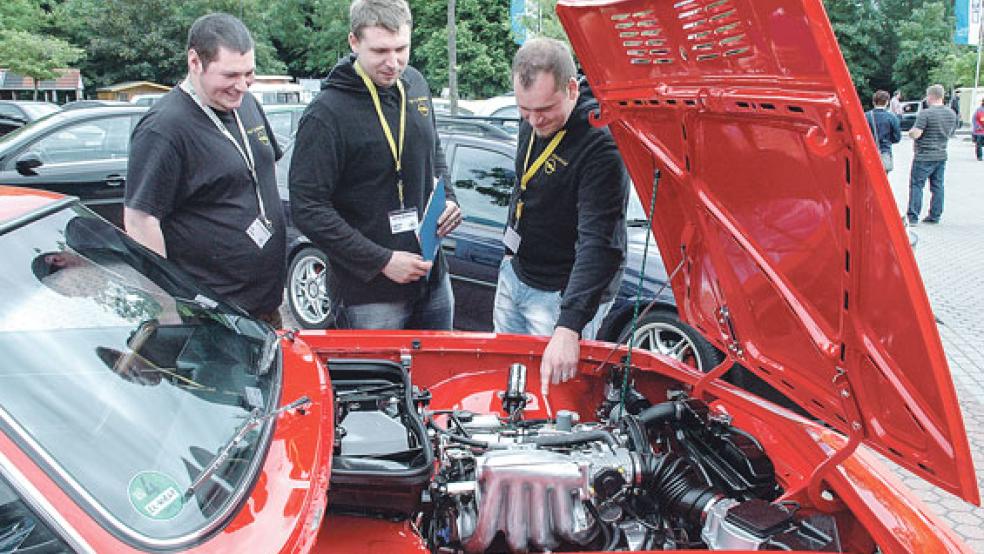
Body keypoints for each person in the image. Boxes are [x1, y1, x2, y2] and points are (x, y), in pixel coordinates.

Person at [289, 0, 461, 330]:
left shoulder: (416, 84)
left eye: (401, 49)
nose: (393, 63)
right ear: (354, 42)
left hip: (432, 277)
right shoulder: (326, 114)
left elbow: (433, 148)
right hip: (369, 296)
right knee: (377, 368)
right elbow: (308, 208)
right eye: (380, 51)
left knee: (438, 365)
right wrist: (381, 261)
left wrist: (449, 197)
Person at [124, 13, 285, 326]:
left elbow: (261, 172)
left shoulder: (246, 104)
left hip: (264, 306)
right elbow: (140, 219)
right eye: (230, 75)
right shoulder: (164, 128)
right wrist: (165, 307)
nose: (241, 86)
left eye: (249, 73)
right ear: (195, 62)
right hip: (211, 315)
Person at [493, 38, 629, 392]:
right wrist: (509, 256)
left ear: (571, 89)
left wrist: (569, 326)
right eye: (524, 110)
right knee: (507, 386)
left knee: (553, 398)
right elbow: (526, 186)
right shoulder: (534, 116)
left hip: (561, 296)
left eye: (544, 109)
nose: (534, 120)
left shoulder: (601, 144)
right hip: (517, 272)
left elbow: (600, 243)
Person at [906, 84, 957, 226]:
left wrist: (910, 132)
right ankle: (935, 215)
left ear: (931, 96)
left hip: (924, 155)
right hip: (941, 154)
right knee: (937, 186)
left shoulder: (926, 114)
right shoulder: (951, 113)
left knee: (917, 185)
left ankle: (913, 216)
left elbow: (917, 133)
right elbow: (951, 132)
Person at [866, 90, 901, 173]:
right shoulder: (892, 117)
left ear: (873, 102)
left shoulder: (866, 116)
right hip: (885, 151)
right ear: (887, 102)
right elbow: (897, 138)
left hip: (868, 152)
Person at [973, 97, 984, 161]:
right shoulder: (979, 110)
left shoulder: (979, 109)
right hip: (980, 131)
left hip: (979, 130)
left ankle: (979, 157)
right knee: (979, 144)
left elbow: (974, 119)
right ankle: (979, 157)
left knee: (979, 144)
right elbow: (974, 119)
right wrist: (978, 127)